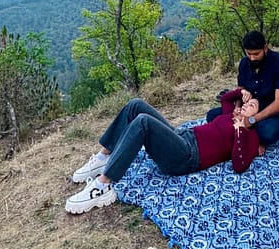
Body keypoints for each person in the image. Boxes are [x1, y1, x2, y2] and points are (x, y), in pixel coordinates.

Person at [65, 89, 262, 215]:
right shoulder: (230, 114)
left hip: (187, 156)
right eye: (247, 102)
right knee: (136, 105)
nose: (246, 104)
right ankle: (104, 156)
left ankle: (103, 185)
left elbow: (239, 163)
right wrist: (242, 92)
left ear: (256, 117)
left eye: (252, 106)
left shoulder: (250, 136)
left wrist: (242, 127)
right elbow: (227, 98)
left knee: (143, 122)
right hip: (183, 136)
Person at [207, 30, 279, 146]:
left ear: (265, 48)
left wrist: (253, 120)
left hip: (276, 112)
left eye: (256, 54)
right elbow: (240, 89)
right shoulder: (244, 63)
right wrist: (238, 107)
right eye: (249, 54)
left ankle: (241, 134)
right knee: (212, 116)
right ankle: (245, 134)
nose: (252, 58)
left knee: (266, 133)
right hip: (249, 108)